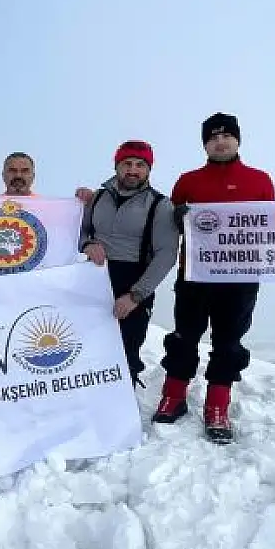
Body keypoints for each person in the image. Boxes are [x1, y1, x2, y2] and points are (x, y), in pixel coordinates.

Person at [152, 112, 275, 444]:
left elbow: (270, 226)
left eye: (226, 136)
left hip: (241, 278)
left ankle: (217, 406)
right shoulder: (188, 181)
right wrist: (177, 217)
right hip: (194, 275)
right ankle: (174, 396)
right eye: (212, 137)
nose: (220, 141)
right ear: (205, 144)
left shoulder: (259, 180)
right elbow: (167, 226)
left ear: (238, 140)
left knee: (228, 343)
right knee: (184, 337)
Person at [77, 141, 179, 389]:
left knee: (126, 352)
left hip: (133, 281)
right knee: (87, 349)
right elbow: (80, 232)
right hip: (94, 279)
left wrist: (135, 296)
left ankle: (120, 412)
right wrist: (88, 244)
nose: (132, 170)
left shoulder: (160, 205)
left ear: (148, 169)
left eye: (140, 165)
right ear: (117, 166)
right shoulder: (98, 197)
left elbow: (166, 254)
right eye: (127, 164)